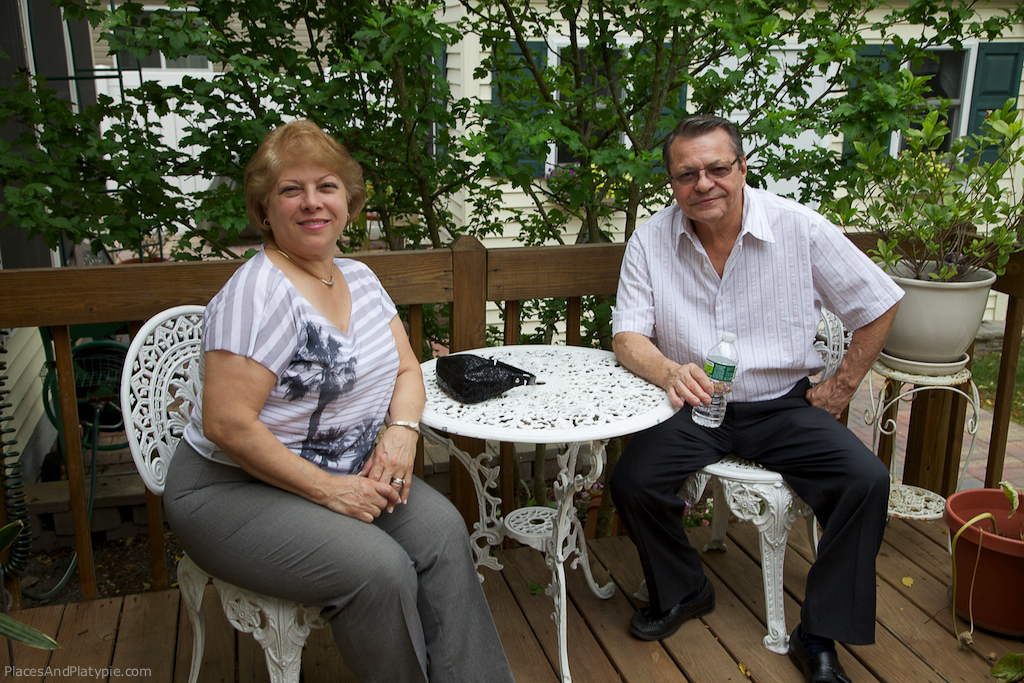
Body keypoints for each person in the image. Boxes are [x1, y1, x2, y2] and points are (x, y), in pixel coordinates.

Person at [163, 120, 513, 683]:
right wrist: (331, 490)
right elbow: (228, 424)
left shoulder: (360, 277)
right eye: (291, 190)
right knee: (378, 569)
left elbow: (408, 369)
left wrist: (402, 431)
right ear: (264, 209)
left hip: (348, 469)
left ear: (348, 202)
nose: (312, 202)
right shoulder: (257, 293)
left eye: (326, 186)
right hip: (230, 489)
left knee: (443, 531)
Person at [609, 115, 903, 683]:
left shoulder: (797, 227)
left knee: (865, 481)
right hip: (696, 404)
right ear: (672, 182)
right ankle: (685, 588)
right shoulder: (650, 239)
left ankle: (818, 633)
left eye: (717, 168)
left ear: (742, 169)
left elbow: (879, 302)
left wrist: (840, 386)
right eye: (687, 174)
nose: (703, 183)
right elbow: (627, 336)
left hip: (781, 405)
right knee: (633, 481)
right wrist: (669, 371)